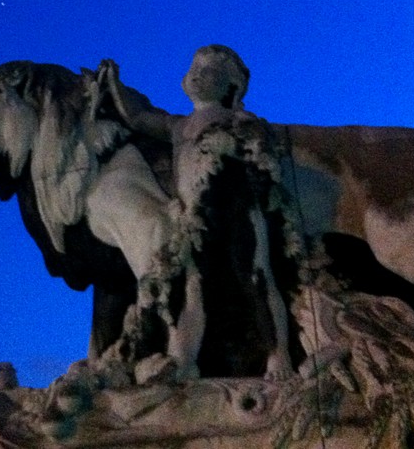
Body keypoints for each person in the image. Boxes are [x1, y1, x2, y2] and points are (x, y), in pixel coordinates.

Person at [100, 45, 292, 379]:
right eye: (195, 66)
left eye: (210, 69)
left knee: (257, 278)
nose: (198, 73)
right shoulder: (178, 126)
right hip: (193, 220)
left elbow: (267, 163)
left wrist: (234, 146)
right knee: (191, 286)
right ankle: (182, 359)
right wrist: (115, 84)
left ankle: (280, 356)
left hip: (236, 211)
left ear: (231, 86)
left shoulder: (239, 120)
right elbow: (139, 116)